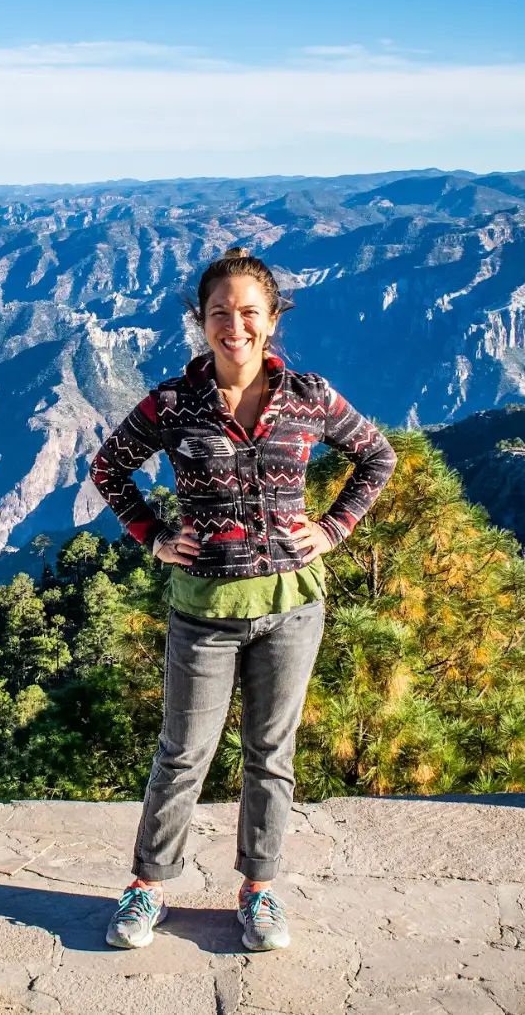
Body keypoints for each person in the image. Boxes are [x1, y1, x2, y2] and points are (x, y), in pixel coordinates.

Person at [89, 247, 397, 952]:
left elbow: (375, 455)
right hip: (204, 609)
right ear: (201, 321)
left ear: (272, 319)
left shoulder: (309, 397)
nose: (235, 327)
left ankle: (259, 891)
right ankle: (148, 888)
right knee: (183, 752)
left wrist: (332, 528)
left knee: (270, 752)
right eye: (220, 314)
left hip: (293, 605)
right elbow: (108, 467)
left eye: (249, 313)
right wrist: (154, 534)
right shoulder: (172, 404)